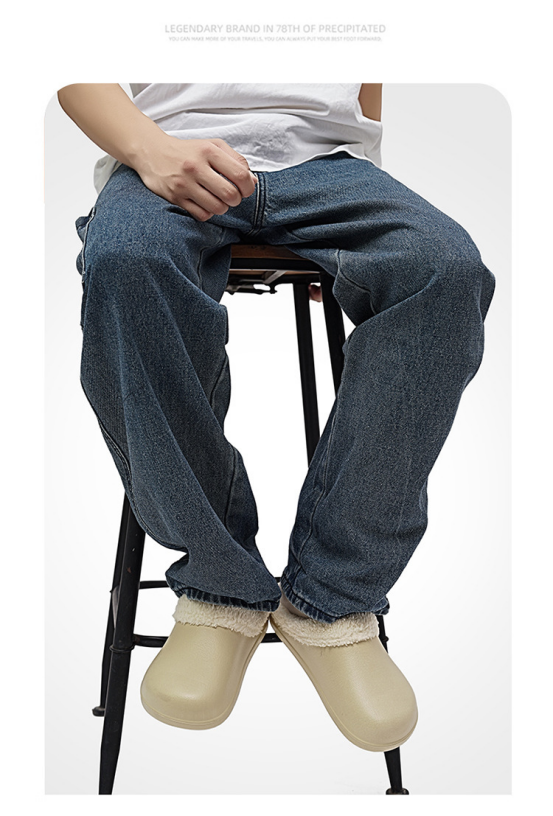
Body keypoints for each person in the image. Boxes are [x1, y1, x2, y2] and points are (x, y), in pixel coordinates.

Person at [57, 83, 496, 753]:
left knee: (445, 270)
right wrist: (146, 149)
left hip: (329, 165)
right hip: (168, 146)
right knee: (126, 261)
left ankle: (332, 601)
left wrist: (358, 192)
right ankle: (218, 589)